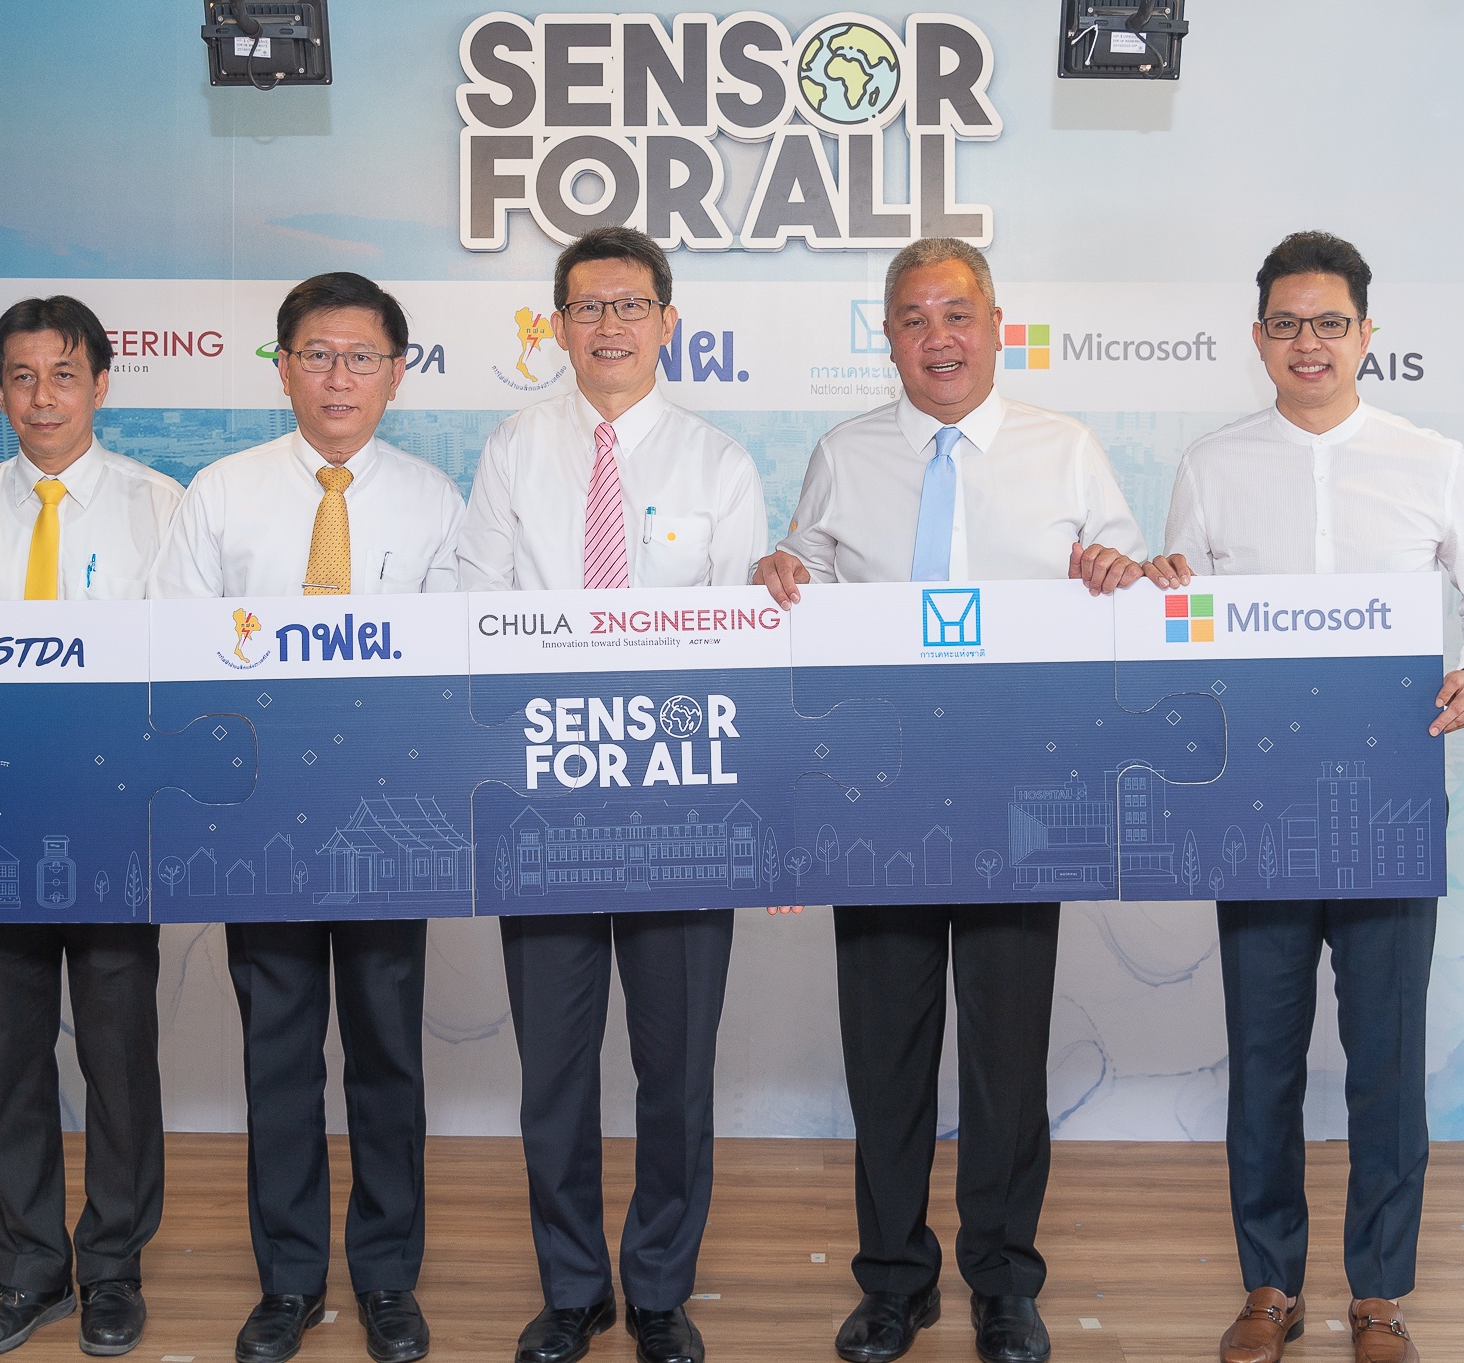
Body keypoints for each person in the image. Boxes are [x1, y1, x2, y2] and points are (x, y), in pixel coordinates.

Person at [755, 237, 1149, 1363]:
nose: (938, 336)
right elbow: (804, 584)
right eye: (913, 317)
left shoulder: (1063, 448)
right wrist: (778, 573)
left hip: (1019, 797)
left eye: (957, 313)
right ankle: (891, 1280)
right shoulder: (844, 452)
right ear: (886, 336)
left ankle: (1002, 1281)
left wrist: (1114, 572)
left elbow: (1121, 574)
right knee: (882, 1054)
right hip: (875, 800)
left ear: (995, 324)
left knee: (1003, 1056)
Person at [1147, 231, 1464, 1363]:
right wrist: (1168, 594)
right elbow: (1183, 627)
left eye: (1327, 323)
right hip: (1252, 808)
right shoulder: (1211, 464)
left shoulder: (1430, 457)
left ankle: (1377, 1293)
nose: (1304, 343)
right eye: (1283, 323)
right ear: (1256, 336)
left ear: (1365, 333)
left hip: (1389, 800)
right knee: (1260, 1056)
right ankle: (1268, 1287)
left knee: (1383, 1056)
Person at [456, 225, 767, 1363]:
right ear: (554, 323)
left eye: (629, 305)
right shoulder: (509, 452)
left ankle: (660, 1287)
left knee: (676, 1069)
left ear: (666, 323)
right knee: (554, 1068)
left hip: (679, 810)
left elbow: (741, 648)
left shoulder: (719, 464)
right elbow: (475, 613)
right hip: (544, 806)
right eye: (585, 306)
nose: (607, 326)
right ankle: (572, 1286)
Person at [151, 272, 464, 1363]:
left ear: (397, 372)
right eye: (317, 354)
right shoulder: (221, 494)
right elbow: (179, 659)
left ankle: (385, 1280)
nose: (339, 377)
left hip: (386, 822)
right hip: (261, 829)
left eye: (362, 356)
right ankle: (286, 1280)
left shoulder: (435, 502)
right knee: (276, 1057)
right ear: (282, 365)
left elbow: (451, 677)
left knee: (386, 1055)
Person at [0, 295, 180, 1358]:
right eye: (21, 376)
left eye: (63, 374)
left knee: (119, 1057)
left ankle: (111, 1266)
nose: (42, 396)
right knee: (8, 1059)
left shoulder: (162, 508)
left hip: (115, 831)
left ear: (101, 384)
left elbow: (189, 678)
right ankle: (26, 1272)